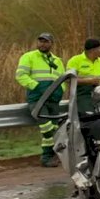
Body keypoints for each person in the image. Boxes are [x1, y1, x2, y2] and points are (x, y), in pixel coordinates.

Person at [16, 33, 67, 167]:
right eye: (41, 41)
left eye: (46, 41)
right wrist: (38, 87)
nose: (43, 44)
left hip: (53, 100)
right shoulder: (29, 57)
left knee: (55, 129)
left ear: (51, 44)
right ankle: (46, 157)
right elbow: (21, 76)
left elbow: (62, 79)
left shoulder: (57, 60)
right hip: (37, 99)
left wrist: (59, 91)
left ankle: (50, 156)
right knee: (47, 128)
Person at [67, 39, 100, 115]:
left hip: (99, 93)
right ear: (93, 50)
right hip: (82, 94)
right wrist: (89, 81)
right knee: (88, 115)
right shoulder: (75, 60)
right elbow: (69, 79)